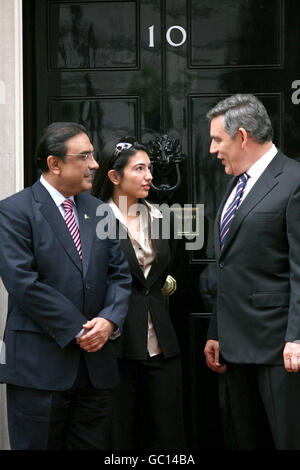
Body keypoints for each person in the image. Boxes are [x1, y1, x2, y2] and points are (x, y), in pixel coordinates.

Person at [0, 122, 132, 450]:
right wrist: (81, 329)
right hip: (39, 368)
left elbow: (120, 276)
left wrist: (109, 321)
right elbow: (22, 282)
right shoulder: (14, 211)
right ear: (54, 164)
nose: (95, 164)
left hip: (95, 370)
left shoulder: (100, 211)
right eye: (84, 156)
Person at [204, 94, 300, 450]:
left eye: (217, 139)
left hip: (281, 351)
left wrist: (297, 337)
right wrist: (217, 331)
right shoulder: (235, 184)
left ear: (242, 136)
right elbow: (229, 265)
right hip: (234, 348)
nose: (213, 149)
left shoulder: (294, 181)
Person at [92, 137, 185, 449]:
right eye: (140, 169)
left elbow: (158, 272)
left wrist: (165, 280)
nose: (149, 176)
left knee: (167, 432)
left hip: (160, 341)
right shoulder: (94, 219)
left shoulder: (158, 216)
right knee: (118, 434)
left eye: (150, 169)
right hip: (116, 344)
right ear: (115, 177)